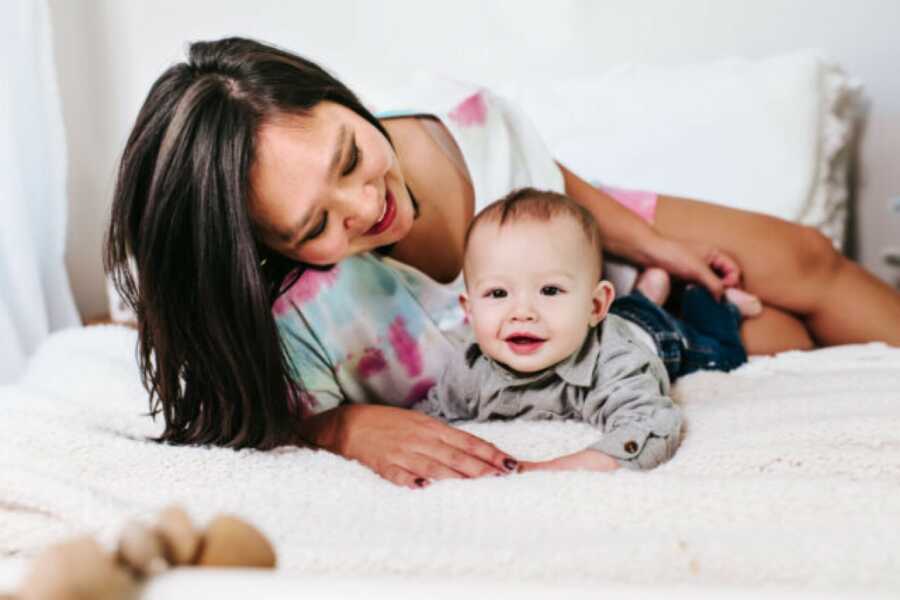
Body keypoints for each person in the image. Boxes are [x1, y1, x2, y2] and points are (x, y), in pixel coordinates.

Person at [106, 37, 900, 489]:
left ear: (339, 100)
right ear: (272, 250)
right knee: (782, 340)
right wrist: (339, 427)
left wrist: (657, 246)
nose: (365, 205)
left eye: (351, 156)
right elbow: (246, 414)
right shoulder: (293, 315)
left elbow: (545, 182)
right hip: (564, 347)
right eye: (316, 222)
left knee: (802, 257)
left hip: (571, 248)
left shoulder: (451, 117)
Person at [412, 188, 751, 484]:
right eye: (498, 294)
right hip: (603, 315)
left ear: (596, 304)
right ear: (469, 311)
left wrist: (549, 469)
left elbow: (652, 424)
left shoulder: (617, 367)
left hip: (653, 335)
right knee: (633, 308)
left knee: (720, 352)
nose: (522, 312)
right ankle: (648, 291)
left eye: (549, 289)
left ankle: (713, 301)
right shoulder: (469, 373)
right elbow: (428, 416)